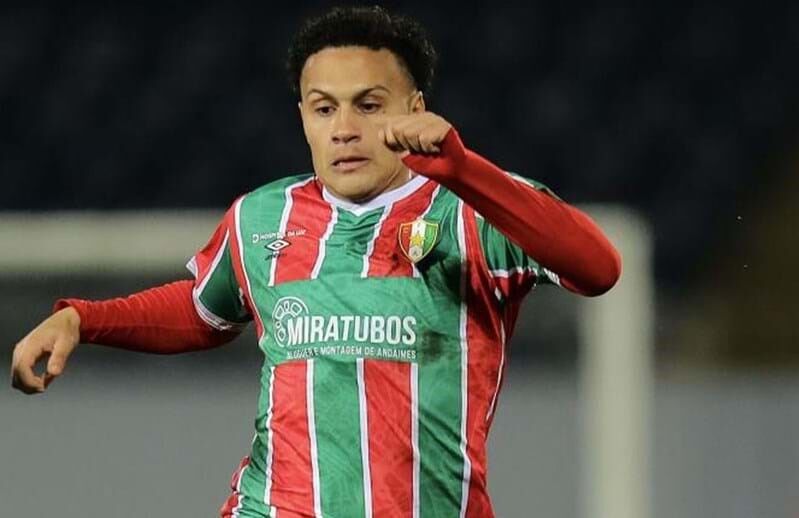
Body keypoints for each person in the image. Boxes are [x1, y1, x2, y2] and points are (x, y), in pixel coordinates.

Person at [10, 6, 621, 517]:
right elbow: (202, 311)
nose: (344, 129)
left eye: (369, 106)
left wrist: (465, 171)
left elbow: (598, 270)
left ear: (414, 107)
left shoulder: (475, 208)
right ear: (303, 115)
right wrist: (83, 319)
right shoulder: (262, 217)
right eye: (324, 108)